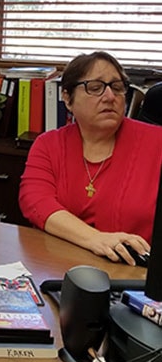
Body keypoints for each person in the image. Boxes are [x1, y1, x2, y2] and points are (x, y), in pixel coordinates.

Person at [19, 51, 162, 266]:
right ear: (67, 98)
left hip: (135, 275)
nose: (110, 97)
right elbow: (36, 202)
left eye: (117, 87)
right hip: (59, 267)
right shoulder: (49, 145)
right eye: (95, 88)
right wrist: (96, 239)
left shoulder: (157, 143)